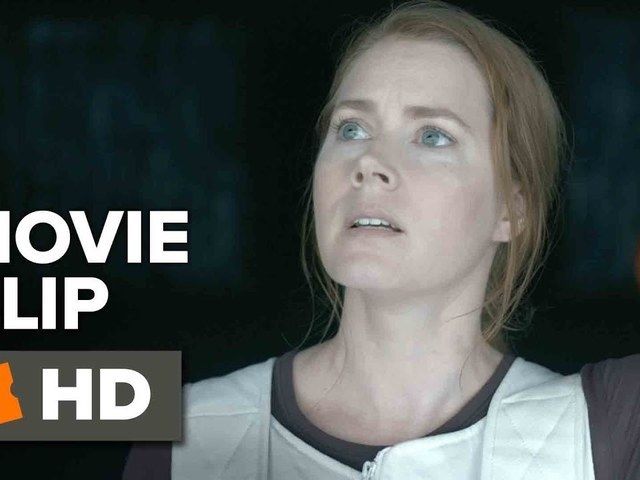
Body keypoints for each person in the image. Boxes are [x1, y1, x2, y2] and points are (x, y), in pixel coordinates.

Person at [123, 1, 640, 478]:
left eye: (432, 135)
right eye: (351, 129)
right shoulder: (183, 438)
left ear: (511, 209)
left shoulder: (608, 425)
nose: (370, 161)